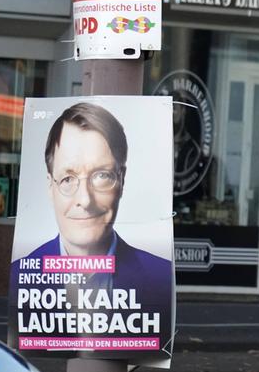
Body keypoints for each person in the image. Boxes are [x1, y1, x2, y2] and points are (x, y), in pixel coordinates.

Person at [10, 103, 172, 330]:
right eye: (68, 179)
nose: (85, 200)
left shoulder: (159, 277)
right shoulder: (22, 274)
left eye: (102, 175)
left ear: (122, 180)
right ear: (50, 186)